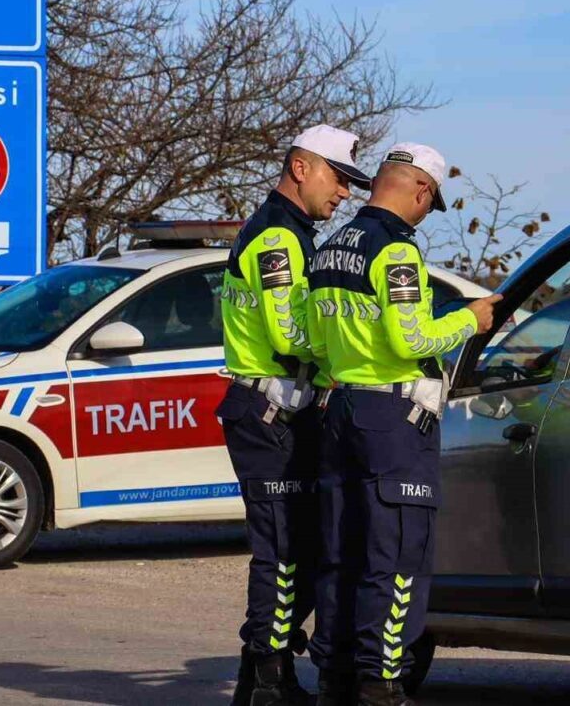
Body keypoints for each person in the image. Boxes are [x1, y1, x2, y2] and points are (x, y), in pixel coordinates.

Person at [306, 143, 500, 706]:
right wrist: (467, 320)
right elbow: (412, 338)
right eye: (429, 203)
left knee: (340, 554)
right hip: (393, 423)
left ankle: (334, 678)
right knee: (396, 559)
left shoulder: (330, 248)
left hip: (340, 412)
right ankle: (380, 683)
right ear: (421, 190)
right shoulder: (396, 251)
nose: (423, 214)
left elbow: (316, 344)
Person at [218, 124, 373, 706]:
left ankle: (263, 673)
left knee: (302, 550)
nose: (345, 193)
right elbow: (289, 334)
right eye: (339, 178)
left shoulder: (292, 233)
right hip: (270, 411)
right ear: (301, 168)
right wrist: (352, 355)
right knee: (284, 553)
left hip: (285, 410)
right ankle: (267, 682)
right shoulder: (279, 238)